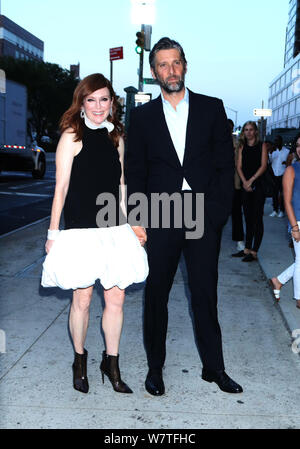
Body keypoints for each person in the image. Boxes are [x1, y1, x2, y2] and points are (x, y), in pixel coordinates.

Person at [126, 37, 243, 395]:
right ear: (154, 72)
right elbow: (136, 172)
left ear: (185, 65)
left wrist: (218, 213)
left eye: (175, 63)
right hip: (160, 215)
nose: (171, 70)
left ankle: (214, 368)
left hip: (202, 216)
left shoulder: (211, 108)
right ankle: (155, 369)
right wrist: (137, 218)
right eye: (163, 64)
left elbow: (225, 166)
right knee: (156, 295)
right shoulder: (143, 116)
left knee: (205, 294)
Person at [41, 74, 148, 394]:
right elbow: (59, 188)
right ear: (82, 102)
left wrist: (133, 222)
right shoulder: (72, 136)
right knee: (82, 300)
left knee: (116, 300)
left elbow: (123, 185)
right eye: (91, 100)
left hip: (114, 228)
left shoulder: (117, 136)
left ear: (112, 102)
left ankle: (111, 364)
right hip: (80, 230)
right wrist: (53, 232)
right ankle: (80, 361)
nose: (98, 106)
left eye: (104, 99)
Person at [269, 132, 300, 309]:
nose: (299, 149)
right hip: (298, 221)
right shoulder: (291, 169)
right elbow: (287, 201)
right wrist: (294, 227)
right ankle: (299, 299)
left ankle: (278, 281)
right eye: (297, 145)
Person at [236, 121, 267, 262]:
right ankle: (247, 248)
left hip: (258, 185)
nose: (248, 132)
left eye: (251, 129)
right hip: (246, 186)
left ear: (255, 131)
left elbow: (263, 166)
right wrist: (244, 182)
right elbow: (239, 166)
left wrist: (251, 181)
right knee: (247, 217)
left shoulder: (262, 145)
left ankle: (254, 252)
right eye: (246, 130)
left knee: (257, 218)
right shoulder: (242, 146)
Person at [228, 118, 245, 257]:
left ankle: (239, 240)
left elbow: (239, 163)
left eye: (230, 127)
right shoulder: (212, 142)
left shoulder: (237, 144)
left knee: (237, 214)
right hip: (216, 185)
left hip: (234, 183)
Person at [269, 135, 290, 218]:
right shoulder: (273, 151)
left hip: (283, 175)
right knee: (274, 193)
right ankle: (275, 210)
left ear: (281, 141)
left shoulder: (286, 151)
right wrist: (270, 153)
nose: (275, 142)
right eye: (275, 141)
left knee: (282, 194)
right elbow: (269, 161)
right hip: (274, 175)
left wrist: (286, 163)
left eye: (277, 141)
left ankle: (282, 211)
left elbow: (290, 161)